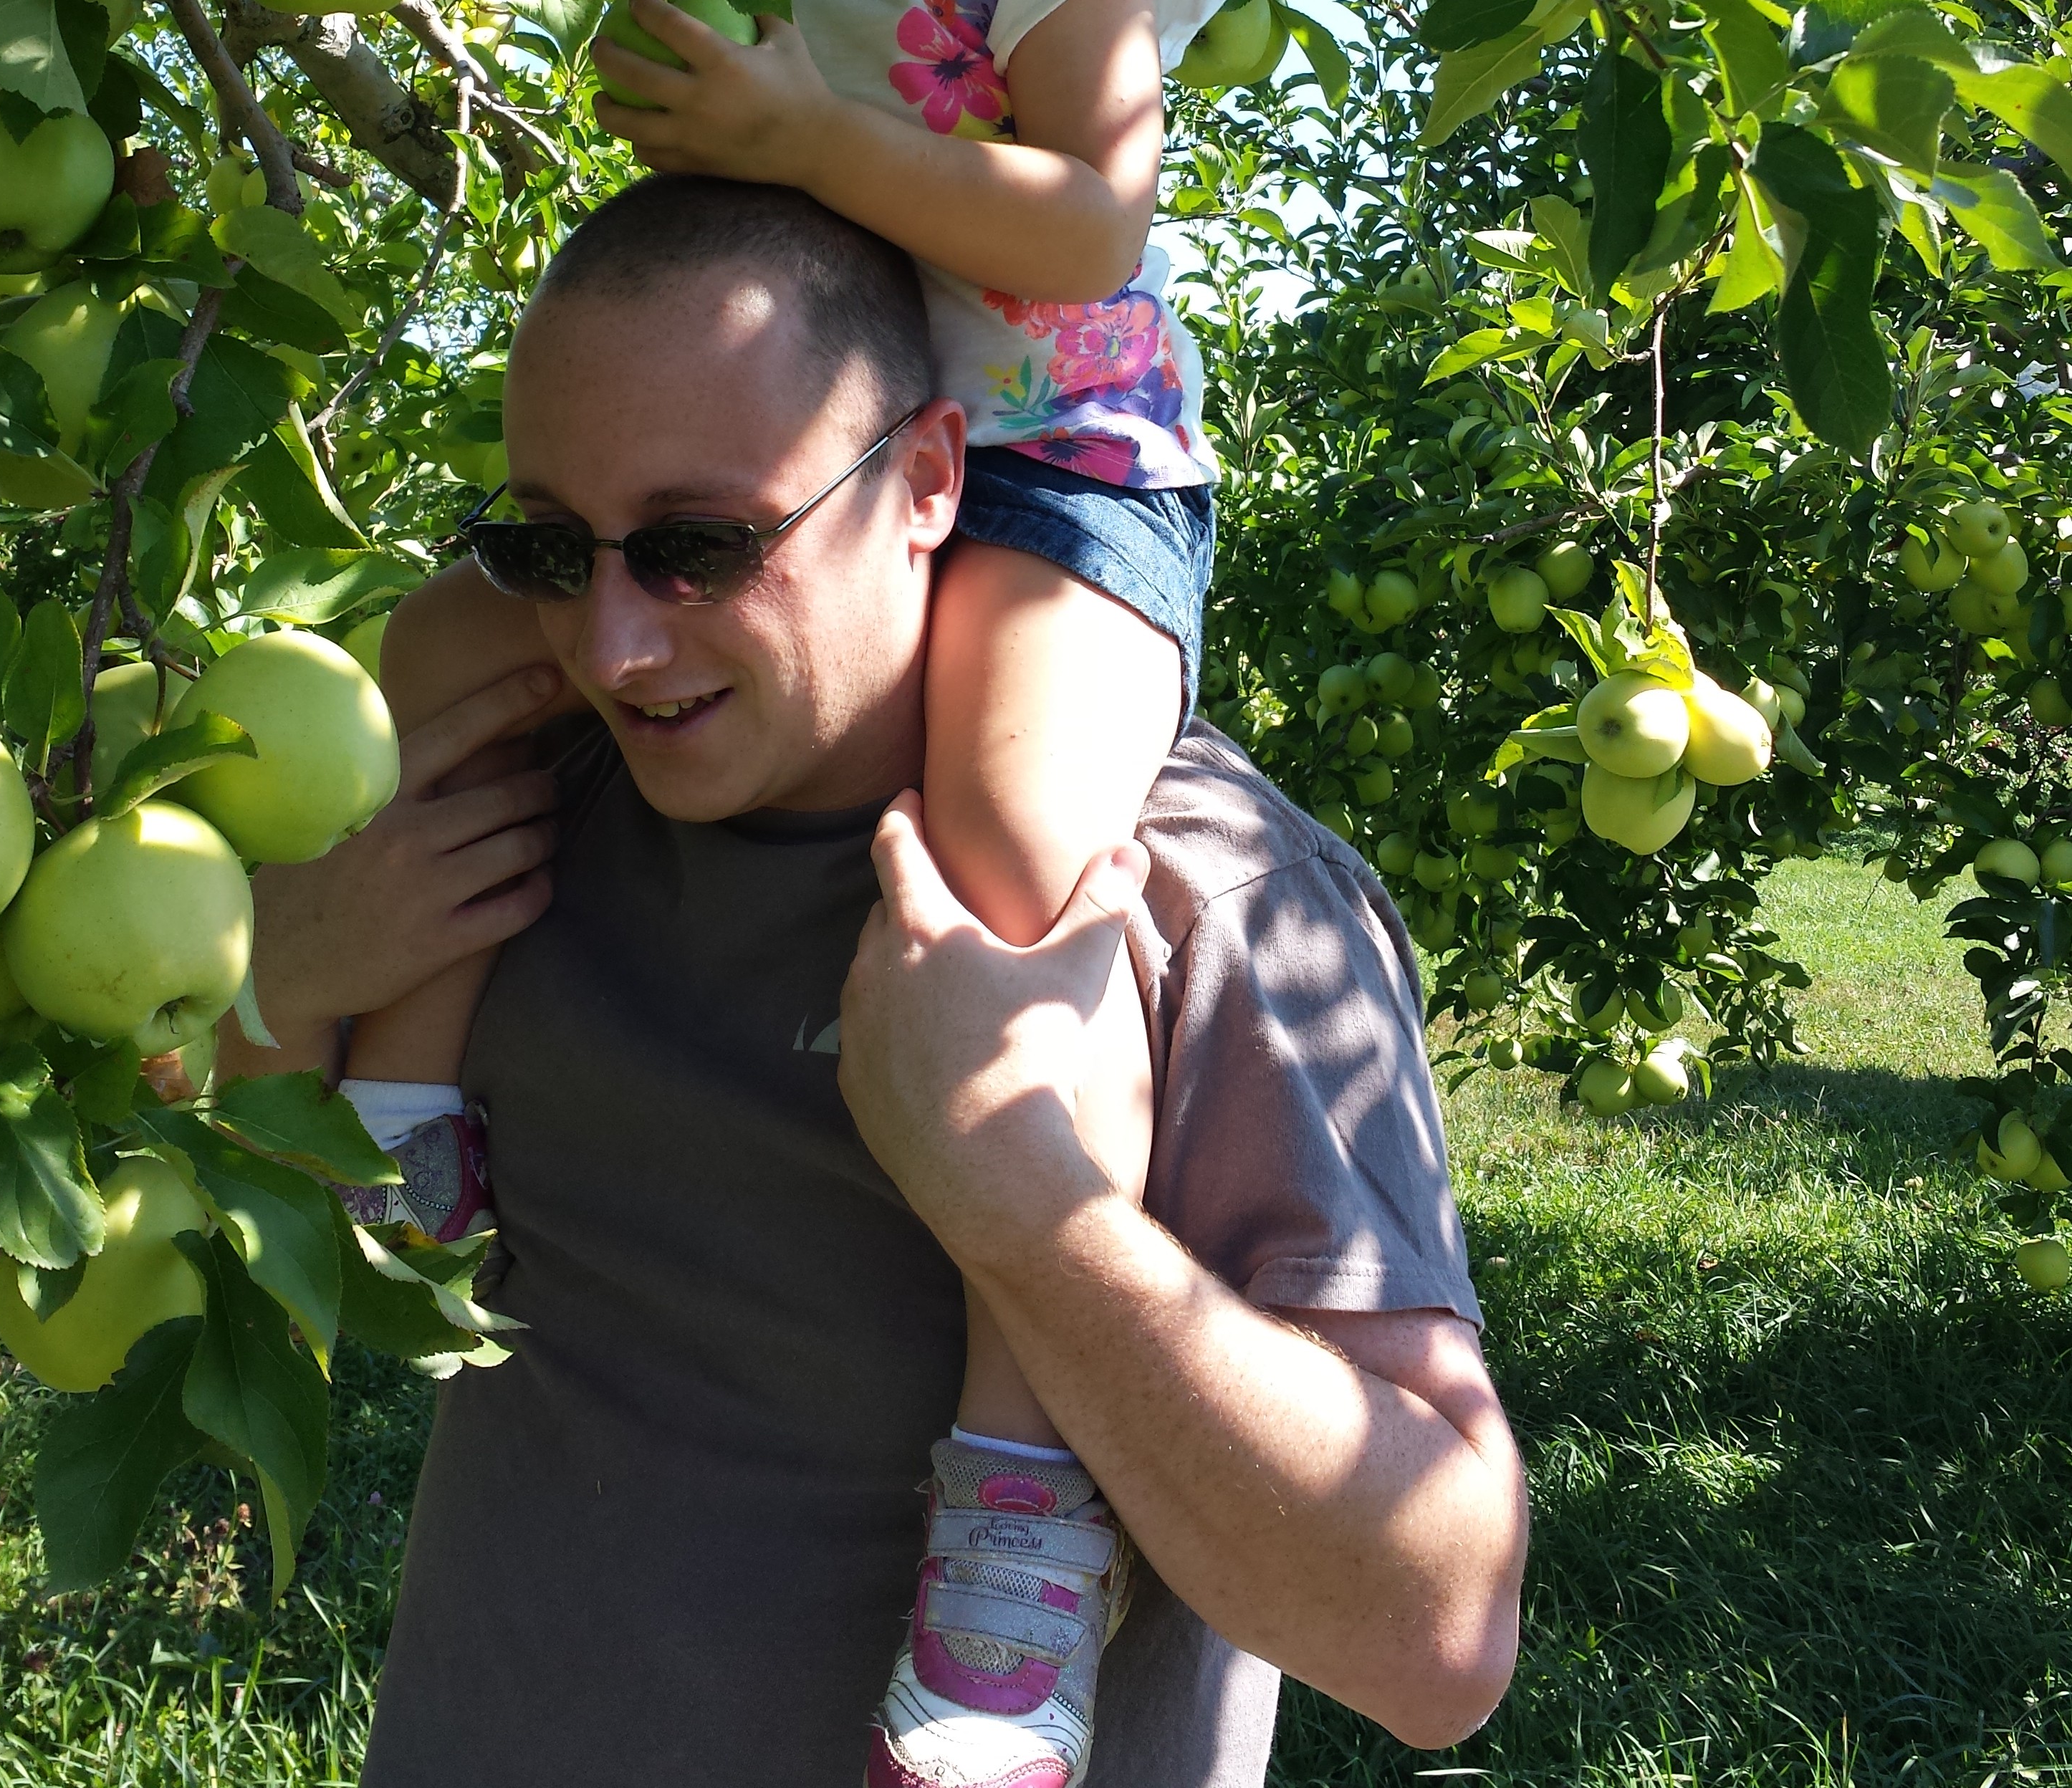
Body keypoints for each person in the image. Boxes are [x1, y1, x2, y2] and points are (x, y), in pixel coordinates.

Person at [340, 0, 1256, 1779]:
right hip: (818, 487)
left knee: (1013, 868)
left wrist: (799, 133)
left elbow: (1088, 219)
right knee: (450, 645)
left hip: (1058, 476)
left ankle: (1014, 1514)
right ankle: (407, 1121)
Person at [219, 177, 1526, 1788]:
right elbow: (280, 1242)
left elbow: (1436, 1641)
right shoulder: (515, 810)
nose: (614, 643)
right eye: (550, 549)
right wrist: (279, 977)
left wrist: (1035, 1219)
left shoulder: (1201, 901)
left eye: (700, 545)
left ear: (922, 480)